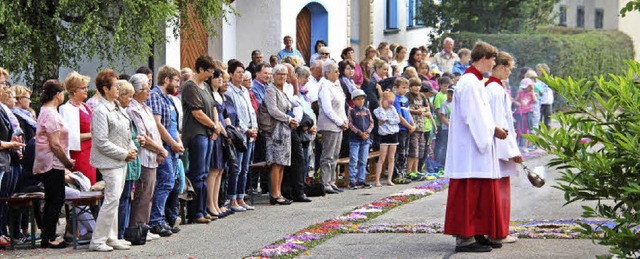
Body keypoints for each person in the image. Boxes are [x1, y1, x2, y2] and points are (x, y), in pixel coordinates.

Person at [443, 41, 508, 253]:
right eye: (492, 60)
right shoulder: (470, 82)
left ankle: (477, 232)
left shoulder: (476, 81)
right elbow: (473, 116)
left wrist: (493, 127)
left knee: (480, 193)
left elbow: (483, 115)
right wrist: (491, 132)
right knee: (469, 193)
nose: (494, 64)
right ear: (483, 59)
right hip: (470, 148)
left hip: (476, 146)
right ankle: (465, 238)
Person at [89, 69, 137, 252]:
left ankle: (112, 237)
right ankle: (98, 240)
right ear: (105, 88)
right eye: (115, 85)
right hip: (109, 161)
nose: (118, 88)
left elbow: (126, 132)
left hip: (121, 160)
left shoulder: (117, 107)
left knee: (115, 199)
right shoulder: (101, 110)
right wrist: (124, 153)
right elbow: (100, 141)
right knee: (111, 199)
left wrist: (131, 148)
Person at [485, 51, 522, 244]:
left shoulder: (494, 88)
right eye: (509, 68)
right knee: (499, 192)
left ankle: (499, 229)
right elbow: (501, 123)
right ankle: (498, 231)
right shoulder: (494, 89)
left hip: (498, 145)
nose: (509, 73)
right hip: (499, 147)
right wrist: (512, 150)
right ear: (501, 67)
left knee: (500, 191)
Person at [126, 75, 168, 238]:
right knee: (142, 194)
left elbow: (155, 131)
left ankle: (143, 226)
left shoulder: (145, 107)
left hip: (153, 156)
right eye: (144, 88)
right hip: (143, 157)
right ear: (136, 92)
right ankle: (137, 227)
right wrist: (160, 149)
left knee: (148, 193)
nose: (148, 90)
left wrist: (159, 150)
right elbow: (143, 136)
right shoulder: (133, 109)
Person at [181, 55, 218, 224]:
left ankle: (203, 209)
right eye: (209, 71)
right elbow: (197, 112)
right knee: (198, 174)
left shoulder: (206, 86)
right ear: (201, 69)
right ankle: (195, 212)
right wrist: (213, 125)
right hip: (197, 134)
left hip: (208, 132)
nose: (211, 75)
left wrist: (216, 125)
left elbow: (213, 106)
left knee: (204, 173)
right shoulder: (190, 87)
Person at [33, 80, 67, 248]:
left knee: (53, 198)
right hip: (52, 161)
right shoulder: (51, 114)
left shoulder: (47, 111)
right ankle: (49, 236)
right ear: (57, 95)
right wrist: (67, 161)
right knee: (56, 198)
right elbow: (54, 144)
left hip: (50, 161)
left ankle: (48, 234)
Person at [114, 79, 146, 241]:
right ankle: (120, 233)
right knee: (122, 199)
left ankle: (124, 231)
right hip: (122, 160)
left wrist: (138, 139)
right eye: (128, 96)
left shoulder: (125, 112)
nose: (131, 100)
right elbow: (120, 139)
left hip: (131, 160)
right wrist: (135, 142)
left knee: (127, 198)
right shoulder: (116, 113)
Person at [225, 60, 257, 212]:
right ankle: (232, 199)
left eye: (242, 72)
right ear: (231, 74)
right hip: (240, 134)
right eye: (238, 72)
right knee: (236, 168)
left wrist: (254, 127)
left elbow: (250, 111)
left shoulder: (244, 90)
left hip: (250, 134)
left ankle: (241, 197)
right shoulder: (230, 92)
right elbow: (236, 114)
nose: (241, 74)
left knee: (245, 168)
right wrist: (245, 129)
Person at [263, 64, 297, 205]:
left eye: (284, 74)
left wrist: (292, 120)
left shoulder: (282, 91)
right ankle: (275, 194)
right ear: (273, 76)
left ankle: (279, 192)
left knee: (282, 163)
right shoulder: (271, 90)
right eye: (279, 74)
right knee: (276, 163)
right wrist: (289, 119)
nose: (282, 77)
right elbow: (273, 110)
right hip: (275, 132)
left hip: (285, 131)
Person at [59, 72, 97, 184]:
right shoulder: (67, 109)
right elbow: (71, 137)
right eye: (83, 88)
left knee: (92, 186)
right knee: (84, 185)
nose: (86, 90)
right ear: (73, 91)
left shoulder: (85, 106)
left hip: (91, 152)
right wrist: (94, 134)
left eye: (87, 87)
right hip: (79, 153)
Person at [317, 60, 347, 194]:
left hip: (339, 125)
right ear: (327, 73)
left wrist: (345, 120)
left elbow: (341, 106)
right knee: (327, 155)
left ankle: (332, 181)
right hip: (329, 125)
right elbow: (327, 109)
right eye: (335, 71)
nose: (338, 73)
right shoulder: (325, 86)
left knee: (335, 155)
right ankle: (325, 182)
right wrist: (339, 121)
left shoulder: (336, 85)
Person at [208, 69, 231, 217]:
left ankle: (216, 202)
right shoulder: (210, 94)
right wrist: (223, 132)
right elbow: (216, 117)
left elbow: (225, 115)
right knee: (214, 169)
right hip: (216, 132)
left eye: (221, 78)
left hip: (223, 131)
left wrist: (230, 132)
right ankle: (210, 204)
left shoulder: (220, 95)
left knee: (221, 170)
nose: (220, 80)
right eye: (217, 77)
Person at [347, 89, 373, 189]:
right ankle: (352, 180)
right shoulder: (351, 110)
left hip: (365, 139)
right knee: (354, 159)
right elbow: (350, 124)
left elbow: (371, 123)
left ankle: (361, 179)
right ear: (353, 100)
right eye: (358, 99)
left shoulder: (367, 110)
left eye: (362, 99)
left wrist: (367, 132)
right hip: (355, 139)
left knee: (363, 160)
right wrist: (359, 133)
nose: (361, 101)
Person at [373, 91, 400, 187]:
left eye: (392, 102)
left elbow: (397, 120)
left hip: (393, 134)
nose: (390, 104)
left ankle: (389, 179)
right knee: (382, 158)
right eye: (389, 102)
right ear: (383, 100)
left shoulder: (393, 109)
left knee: (391, 158)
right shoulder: (378, 110)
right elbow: (381, 118)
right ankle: (377, 180)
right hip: (384, 135)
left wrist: (388, 120)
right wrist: (386, 119)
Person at [392, 77, 415, 183]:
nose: (405, 90)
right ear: (396, 88)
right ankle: (397, 174)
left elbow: (408, 113)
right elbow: (399, 116)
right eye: (403, 87)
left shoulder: (405, 99)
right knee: (400, 152)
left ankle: (403, 172)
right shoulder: (395, 99)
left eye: (407, 88)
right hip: (400, 129)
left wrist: (413, 124)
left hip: (407, 129)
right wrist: (408, 126)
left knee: (405, 151)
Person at [433, 76, 452, 167]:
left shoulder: (451, 98)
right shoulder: (439, 96)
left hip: (449, 126)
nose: (446, 88)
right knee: (441, 145)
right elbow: (437, 110)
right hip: (442, 125)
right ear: (440, 86)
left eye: (448, 86)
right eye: (445, 86)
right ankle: (438, 163)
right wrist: (442, 122)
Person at [514, 78, 536, 152]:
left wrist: (533, 92)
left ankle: (525, 145)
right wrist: (517, 103)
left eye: (526, 87)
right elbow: (515, 99)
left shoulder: (531, 93)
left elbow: (535, 100)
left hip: (528, 113)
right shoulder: (520, 92)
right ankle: (518, 145)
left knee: (527, 129)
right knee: (519, 128)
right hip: (520, 112)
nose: (525, 89)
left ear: (530, 86)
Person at [536, 63, 554, 128]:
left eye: (539, 70)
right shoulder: (537, 79)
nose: (538, 72)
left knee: (548, 119)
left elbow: (553, 89)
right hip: (539, 102)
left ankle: (547, 134)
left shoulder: (549, 79)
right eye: (537, 70)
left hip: (547, 101)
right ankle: (538, 133)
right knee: (539, 119)